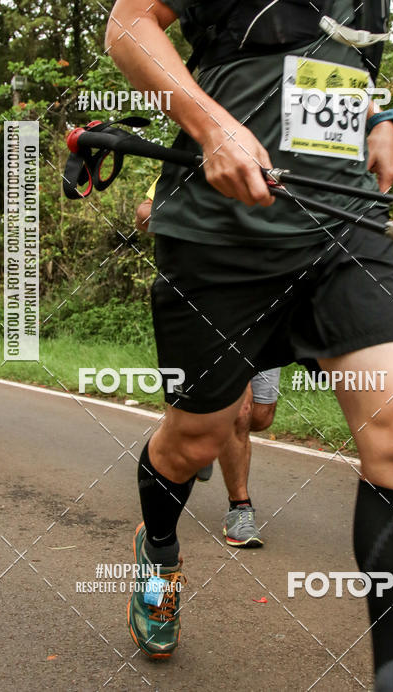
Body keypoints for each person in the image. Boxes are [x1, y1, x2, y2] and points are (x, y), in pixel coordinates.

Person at [108, 0, 393, 691]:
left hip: (340, 221)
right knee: (198, 436)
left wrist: (380, 111)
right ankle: (161, 549)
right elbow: (130, 26)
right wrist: (212, 125)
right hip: (224, 231)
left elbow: (351, 54)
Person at [136, 187, 281, 547]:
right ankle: (240, 509)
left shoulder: (290, 164)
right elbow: (144, 214)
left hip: (270, 302)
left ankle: (201, 433)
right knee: (239, 411)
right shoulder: (204, 157)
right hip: (214, 302)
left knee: (260, 415)